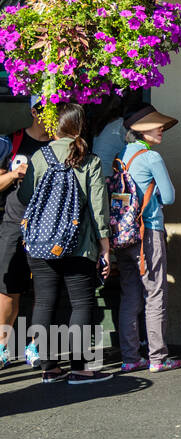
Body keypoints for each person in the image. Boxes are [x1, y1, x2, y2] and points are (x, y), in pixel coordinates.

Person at [21, 104, 111, 383]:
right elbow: (98, 209)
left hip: (40, 243)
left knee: (45, 302)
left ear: (54, 126)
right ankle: (80, 368)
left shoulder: (40, 156)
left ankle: (49, 369)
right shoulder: (89, 159)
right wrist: (105, 247)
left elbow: (26, 197)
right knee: (81, 303)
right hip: (78, 243)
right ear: (80, 126)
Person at [116, 106, 181, 374]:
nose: (161, 130)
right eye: (156, 126)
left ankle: (131, 357)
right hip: (148, 232)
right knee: (155, 293)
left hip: (123, 233)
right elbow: (168, 197)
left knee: (129, 294)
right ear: (141, 130)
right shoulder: (151, 157)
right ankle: (158, 357)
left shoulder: (121, 155)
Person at [0, 100, 49, 367]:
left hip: (48, 228)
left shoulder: (59, 144)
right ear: (34, 111)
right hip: (14, 223)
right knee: (9, 289)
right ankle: (2, 346)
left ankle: (36, 345)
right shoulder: (12, 142)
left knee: (45, 289)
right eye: (48, 110)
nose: (53, 116)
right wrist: (15, 173)